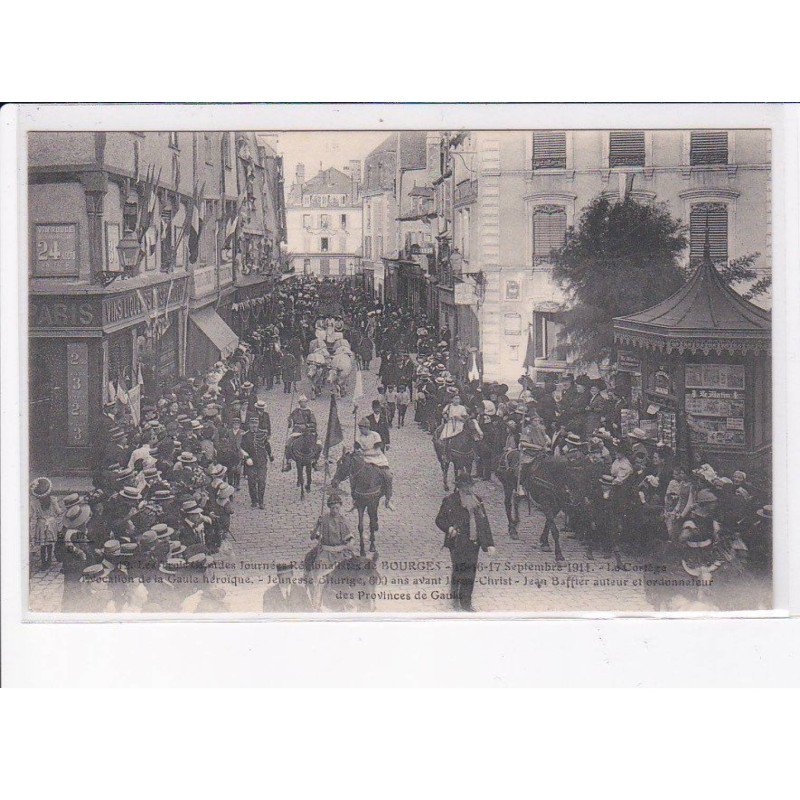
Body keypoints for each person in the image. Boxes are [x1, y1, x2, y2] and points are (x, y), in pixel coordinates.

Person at [435, 473, 495, 612]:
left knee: (470, 572)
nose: (468, 489)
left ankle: (466, 603)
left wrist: (489, 544)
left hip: (474, 542)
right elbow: (439, 520)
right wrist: (449, 528)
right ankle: (455, 597)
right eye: (465, 486)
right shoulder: (450, 500)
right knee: (459, 569)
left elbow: (484, 523)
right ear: (460, 487)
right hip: (457, 542)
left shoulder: (477, 501)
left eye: (470, 486)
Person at [355, 417, 395, 510]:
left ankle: (388, 499)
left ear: (367, 428)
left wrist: (363, 452)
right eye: (359, 428)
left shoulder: (375, 435)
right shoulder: (359, 437)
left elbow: (377, 451)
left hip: (378, 459)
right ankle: (355, 497)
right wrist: (357, 451)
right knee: (355, 474)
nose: (360, 430)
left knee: (388, 476)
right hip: (365, 460)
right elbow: (357, 448)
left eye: (362, 428)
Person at [29, 477, 62, 569]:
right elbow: (59, 512)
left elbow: (31, 515)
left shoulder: (34, 503)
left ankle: (44, 562)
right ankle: (49, 560)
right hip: (51, 524)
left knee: (42, 544)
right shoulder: (53, 500)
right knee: (50, 544)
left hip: (41, 524)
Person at [241, 415, 270, 509]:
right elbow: (242, 449)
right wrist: (247, 458)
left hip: (261, 462)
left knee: (262, 481)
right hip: (251, 463)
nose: (254, 425)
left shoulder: (263, 434)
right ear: (249, 424)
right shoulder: (245, 436)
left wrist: (270, 455)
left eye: (256, 423)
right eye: (252, 423)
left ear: (258, 424)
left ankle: (261, 502)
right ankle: (254, 500)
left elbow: (267, 445)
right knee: (251, 482)